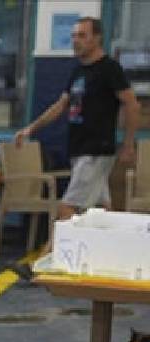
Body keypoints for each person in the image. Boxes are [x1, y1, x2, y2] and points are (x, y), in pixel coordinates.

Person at [16, 17, 140, 221]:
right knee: (101, 210)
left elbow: (132, 104)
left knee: (66, 210)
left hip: (95, 151)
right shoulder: (78, 71)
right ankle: (108, 250)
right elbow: (61, 105)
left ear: (97, 38)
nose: (76, 40)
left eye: (82, 35)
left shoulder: (109, 69)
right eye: (73, 36)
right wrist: (31, 128)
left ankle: (56, 251)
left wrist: (128, 144)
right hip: (78, 148)